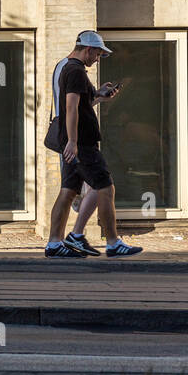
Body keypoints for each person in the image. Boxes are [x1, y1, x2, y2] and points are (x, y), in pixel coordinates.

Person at [44, 31, 143, 257]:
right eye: (97, 54)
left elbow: (81, 104)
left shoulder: (69, 68)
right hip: (82, 144)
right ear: (88, 49)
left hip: (75, 142)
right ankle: (112, 242)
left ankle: (54, 243)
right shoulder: (76, 71)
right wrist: (73, 142)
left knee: (68, 191)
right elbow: (70, 108)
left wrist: (99, 96)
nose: (97, 58)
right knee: (105, 188)